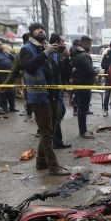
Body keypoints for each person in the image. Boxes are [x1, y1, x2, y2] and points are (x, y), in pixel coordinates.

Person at [19, 22, 71, 176]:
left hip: (54, 95)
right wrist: (46, 52)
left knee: (50, 131)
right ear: (31, 33)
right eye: (37, 28)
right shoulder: (27, 49)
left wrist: (66, 59)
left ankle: (41, 162)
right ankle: (53, 166)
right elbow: (29, 66)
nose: (41, 30)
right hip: (39, 97)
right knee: (47, 133)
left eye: (42, 28)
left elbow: (59, 71)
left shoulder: (49, 49)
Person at [70, 35, 96, 139]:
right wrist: (97, 71)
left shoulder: (76, 53)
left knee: (82, 108)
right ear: (84, 43)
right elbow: (90, 71)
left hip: (79, 83)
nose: (90, 46)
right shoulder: (84, 55)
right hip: (84, 84)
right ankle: (83, 131)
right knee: (83, 109)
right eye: (89, 43)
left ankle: (83, 130)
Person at [0, 40, 17, 114]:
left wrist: (9, 52)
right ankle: (4, 107)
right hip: (0, 76)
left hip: (9, 75)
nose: (1, 45)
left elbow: (14, 59)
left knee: (12, 92)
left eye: (1, 44)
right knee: (3, 93)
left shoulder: (5, 52)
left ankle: (12, 107)